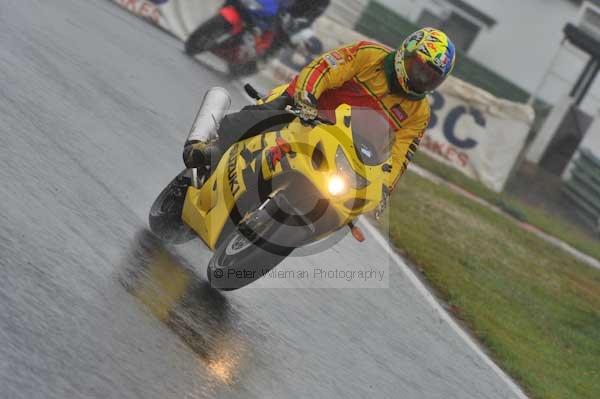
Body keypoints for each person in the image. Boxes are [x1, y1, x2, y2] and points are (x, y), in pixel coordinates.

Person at [184, 27, 456, 199]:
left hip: (344, 149)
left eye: (430, 78)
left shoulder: (418, 112)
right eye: (420, 68)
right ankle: (210, 150)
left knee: (337, 202)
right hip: (308, 108)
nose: (421, 79)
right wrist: (306, 96)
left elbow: (401, 155)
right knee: (269, 113)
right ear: (406, 52)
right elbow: (324, 68)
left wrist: (383, 187)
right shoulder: (369, 54)